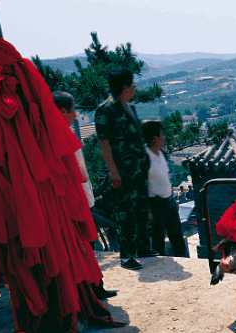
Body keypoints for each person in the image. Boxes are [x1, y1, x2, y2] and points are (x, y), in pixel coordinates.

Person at [53, 91, 118, 299]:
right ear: (63, 111)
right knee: (86, 249)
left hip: (82, 201)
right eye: (74, 110)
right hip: (77, 204)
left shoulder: (61, 134)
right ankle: (93, 289)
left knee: (87, 249)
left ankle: (94, 287)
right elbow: (79, 174)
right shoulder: (61, 137)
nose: (76, 114)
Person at [95, 68, 158, 270]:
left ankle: (142, 247)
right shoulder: (106, 110)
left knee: (140, 209)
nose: (135, 88)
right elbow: (104, 143)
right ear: (125, 87)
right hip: (122, 172)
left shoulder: (129, 107)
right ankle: (127, 256)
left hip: (137, 170)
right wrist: (113, 172)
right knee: (125, 213)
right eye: (132, 85)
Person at [142, 121, 188, 257]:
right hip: (155, 204)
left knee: (177, 235)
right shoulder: (144, 157)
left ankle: (182, 259)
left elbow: (164, 178)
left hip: (169, 202)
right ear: (154, 138)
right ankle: (161, 267)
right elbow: (141, 185)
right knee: (158, 239)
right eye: (161, 134)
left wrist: (173, 198)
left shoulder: (161, 153)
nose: (164, 137)